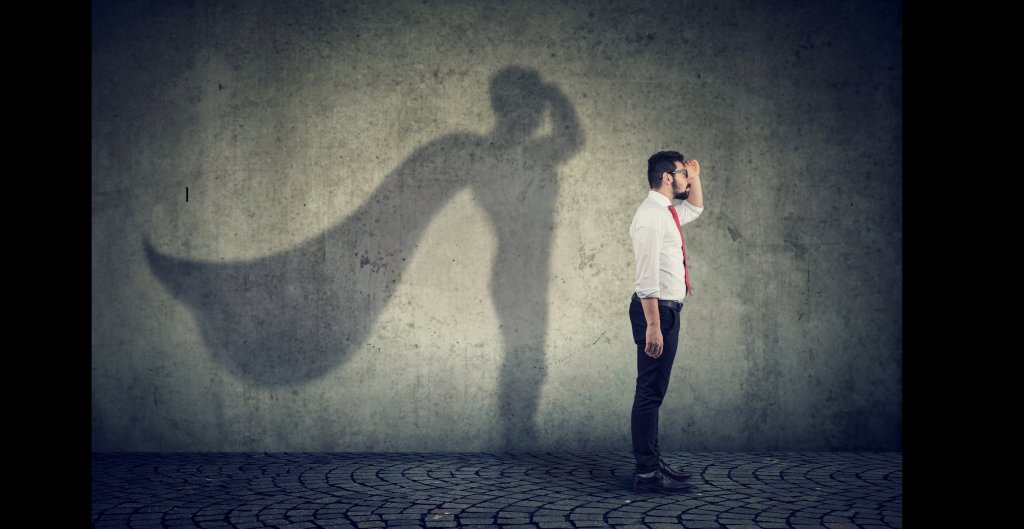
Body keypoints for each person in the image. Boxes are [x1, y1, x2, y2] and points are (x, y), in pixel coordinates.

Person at [628, 150, 704, 493]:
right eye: (682, 173)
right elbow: (645, 278)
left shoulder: (666, 213)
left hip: (666, 312)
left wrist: (695, 177)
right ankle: (647, 473)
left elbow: (696, 208)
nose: (687, 178)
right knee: (649, 393)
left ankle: (653, 463)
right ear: (666, 177)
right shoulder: (650, 217)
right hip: (656, 313)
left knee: (654, 392)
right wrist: (654, 326)